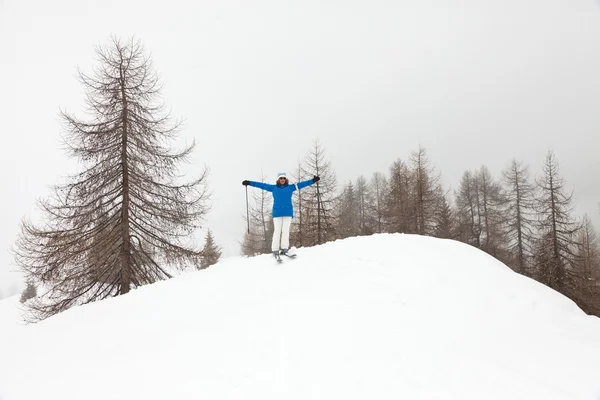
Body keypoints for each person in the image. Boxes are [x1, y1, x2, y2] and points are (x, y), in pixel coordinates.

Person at [242, 172, 320, 257]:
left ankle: (284, 249)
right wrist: (249, 183)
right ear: (278, 180)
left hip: (287, 213)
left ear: (285, 180)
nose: (282, 180)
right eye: (281, 178)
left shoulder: (291, 187)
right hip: (277, 213)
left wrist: (313, 180)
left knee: (285, 231)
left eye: (283, 178)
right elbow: (261, 185)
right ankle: (275, 249)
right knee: (277, 231)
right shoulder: (273, 188)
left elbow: (302, 184)